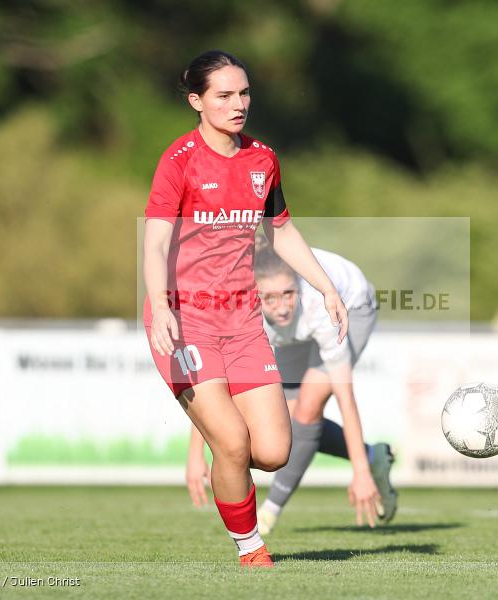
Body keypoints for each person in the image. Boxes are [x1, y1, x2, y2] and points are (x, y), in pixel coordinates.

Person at [143, 50, 348, 568]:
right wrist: (161, 305)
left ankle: (224, 466)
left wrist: (325, 287)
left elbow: (281, 231)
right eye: (225, 95)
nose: (239, 104)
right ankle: (250, 548)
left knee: (274, 451)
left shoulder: (263, 159)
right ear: (197, 101)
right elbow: (155, 243)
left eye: (245, 93)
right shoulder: (180, 160)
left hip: (242, 322)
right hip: (185, 321)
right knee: (232, 441)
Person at [185, 238, 398, 534]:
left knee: (308, 408)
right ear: (253, 294)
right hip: (298, 325)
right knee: (285, 418)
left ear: (298, 284)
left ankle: (269, 513)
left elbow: (344, 396)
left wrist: (360, 473)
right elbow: (217, 384)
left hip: (352, 305)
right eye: (269, 298)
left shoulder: (318, 308)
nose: (282, 307)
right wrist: (195, 456)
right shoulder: (241, 311)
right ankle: (375, 456)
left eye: (288, 294)